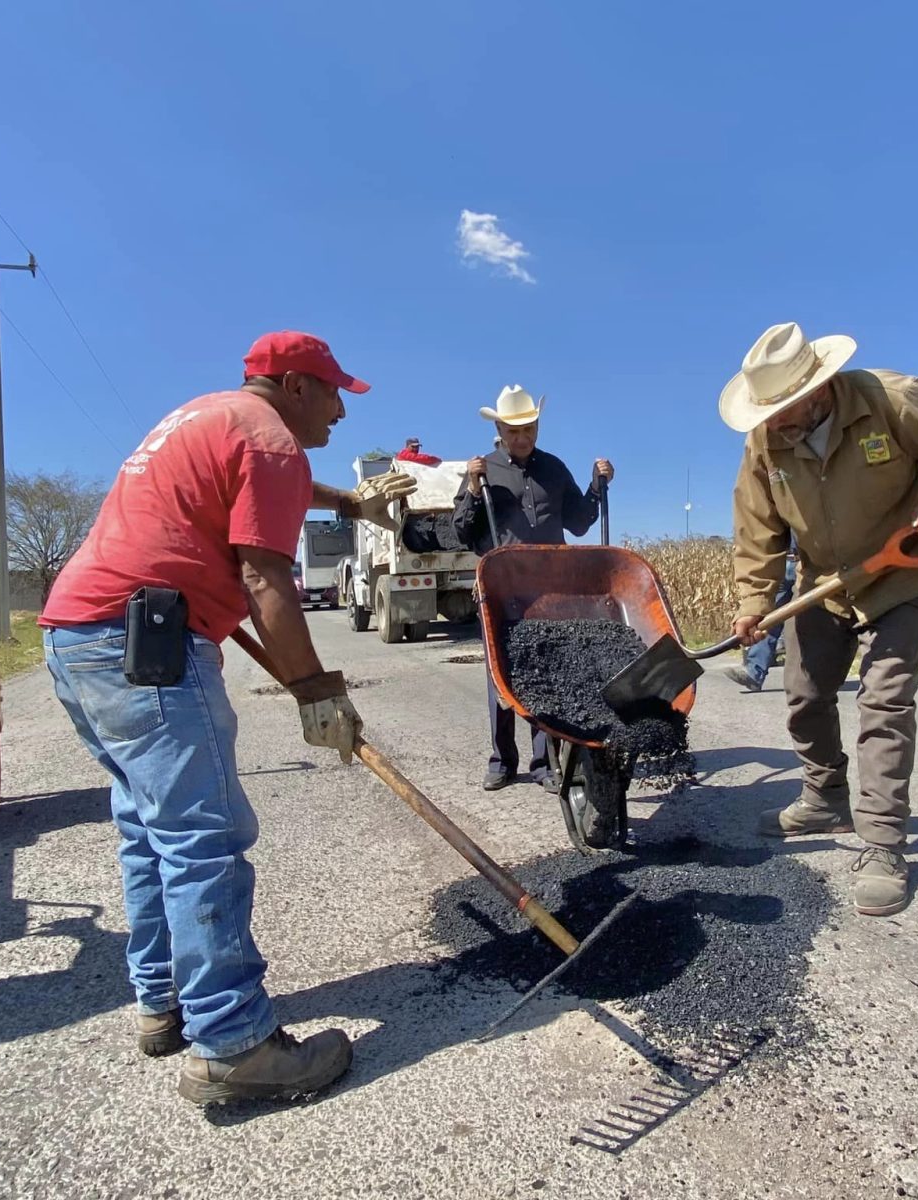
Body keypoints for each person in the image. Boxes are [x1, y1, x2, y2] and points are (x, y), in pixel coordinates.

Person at [39, 330, 415, 1105]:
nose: (342, 411)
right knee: (203, 839)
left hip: (79, 641)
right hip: (144, 651)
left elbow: (268, 484)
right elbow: (265, 574)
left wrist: (351, 502)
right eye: (335, 391)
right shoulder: (271, 441)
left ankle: (165, 1000)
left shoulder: (210, 417)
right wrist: (316, 690)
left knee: (152, 830)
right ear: (296, 385)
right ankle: (235, 1044)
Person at [722, 322, 918, 917]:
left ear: (816, 389)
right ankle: (824, 796)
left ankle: (883, 842)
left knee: (884, 702)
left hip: (903, 573)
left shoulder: (892, 399)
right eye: (768, 414)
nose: (776, 424)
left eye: (785, 410)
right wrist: (753, 602)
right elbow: (758, 529)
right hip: (824, 583)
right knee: (804, 696)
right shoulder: (765, 441)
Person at [452, 384, 614, 791]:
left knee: (547, 670)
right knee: (501, 674)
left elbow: (578, 522)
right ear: (501, 430)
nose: (521, 438)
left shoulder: (555, 469)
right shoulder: (483, 470)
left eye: (528, 430)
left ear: (537, 427)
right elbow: (461, 531)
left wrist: (597, 486)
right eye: (513, 431)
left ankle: (544, 763)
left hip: (551, 585)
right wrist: (472, 491)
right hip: (503, 586)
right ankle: (502, 761)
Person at [723, 549, 796, 692]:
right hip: (781, 564)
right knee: (766, 620)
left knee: (808, 621)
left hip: (809, 567)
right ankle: (754, 674)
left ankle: (812, 680)